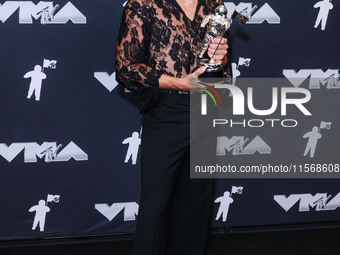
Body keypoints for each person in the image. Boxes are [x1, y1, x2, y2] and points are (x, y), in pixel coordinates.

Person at [115, 0, 231, 254]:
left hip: (206, 109)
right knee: (155, 209)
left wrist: (220, 58)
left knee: (195, 207)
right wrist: (181, 84)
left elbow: (221, 69)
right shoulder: (142, 4)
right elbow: (126, 69)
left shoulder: (214, 4)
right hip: (166, 113)